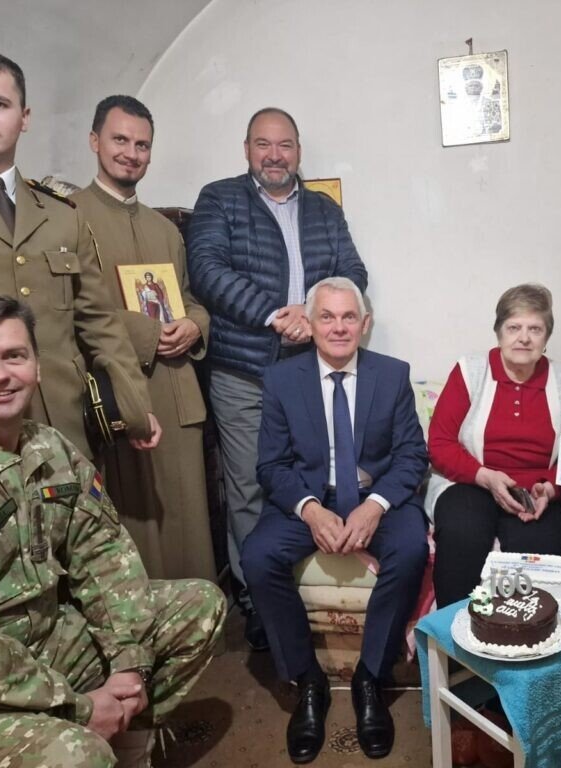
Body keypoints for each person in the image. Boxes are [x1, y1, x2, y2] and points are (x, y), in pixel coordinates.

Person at [0, 296, 225, 768]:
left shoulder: (49, 447)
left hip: (45, 644)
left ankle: (124, 746)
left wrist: (128, 665)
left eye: (14, 355)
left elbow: (104, 556)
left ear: (36, 367)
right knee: (75, 755)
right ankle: (86, 742)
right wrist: (78, 707)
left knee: (198, 607)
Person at [0, 47, 159, 455]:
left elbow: (98, 322)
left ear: (24, 117)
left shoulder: (60, 213)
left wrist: (135, 404)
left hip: (63, 424)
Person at [187, 107, 368, 648]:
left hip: (309, 370)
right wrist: (274, 315)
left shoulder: (323, 209)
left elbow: (352, 273)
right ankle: (259, 599)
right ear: (247, 149)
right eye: (263, 144)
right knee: (248, 485)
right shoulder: (220, 199)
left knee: (308, 477)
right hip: (242, 370)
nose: (274, 155)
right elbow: (208, 271)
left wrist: (312, 313)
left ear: (298, 152)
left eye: (285, 145)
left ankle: (304, 587)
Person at [243, 277, 428, 763]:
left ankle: (371, 676)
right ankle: (308, 681)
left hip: (374, 494)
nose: (339, 327)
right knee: (257, 557)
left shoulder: (392, 375)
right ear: (310, 324)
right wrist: (309, 509)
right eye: (327, 317)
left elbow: (412, 455)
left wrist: (375, 505)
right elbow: (271, 465)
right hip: (311, 495)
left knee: (410, 548)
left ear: (365, 324)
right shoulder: (282, 379)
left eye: (349, 317)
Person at [72, 96, 215, 582]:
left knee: (189, 523)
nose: (131, 153)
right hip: (119, 392)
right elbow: (73, 308)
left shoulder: (164, 229)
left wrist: (195, 325)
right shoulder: (70, 216)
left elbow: (190, 300)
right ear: (95, 141)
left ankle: (196, 619)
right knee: (133, 526)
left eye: (142, 145)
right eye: (120, 140)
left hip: (178, 391)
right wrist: (151, 333)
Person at [426, 283, 561, 607]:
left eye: (535, 329)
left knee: (539, 553)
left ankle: (523, 636)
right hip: (472, 481)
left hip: (537, 492)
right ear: (499, 332)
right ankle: (456, 631)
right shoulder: (470, 370)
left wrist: (551, 489)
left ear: (547, 337)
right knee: (462, 533)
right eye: (514, 327)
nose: (524, 338)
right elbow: (440, 443)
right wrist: (485, 476)